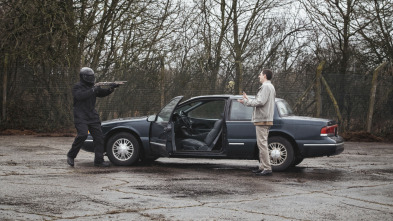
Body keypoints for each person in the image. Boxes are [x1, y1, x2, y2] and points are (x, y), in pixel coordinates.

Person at [67, 67, 117, 167]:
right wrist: (93, 89)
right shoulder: (77, 87)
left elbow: (101, 93)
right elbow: (80, 96)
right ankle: (71, 155)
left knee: (99, 138)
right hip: (80, 116)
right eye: (89, 77)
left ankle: (99, 161)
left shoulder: (93, 86)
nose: (91, 78)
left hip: (92, 116)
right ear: (83, 77)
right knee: (83, 135)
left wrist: (111, 88)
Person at [238, 69, 276, 176]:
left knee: (262, 144)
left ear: (264, 76)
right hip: (265, 118)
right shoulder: (270, 87)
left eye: (260, 75)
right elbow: (261, 100)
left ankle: (267, 168)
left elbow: (260, 102)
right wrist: (248, 99)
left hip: (262, 119)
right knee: (262, 144)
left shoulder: (265, 87)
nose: (259, 76)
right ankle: (262, 167)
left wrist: (246, 101)